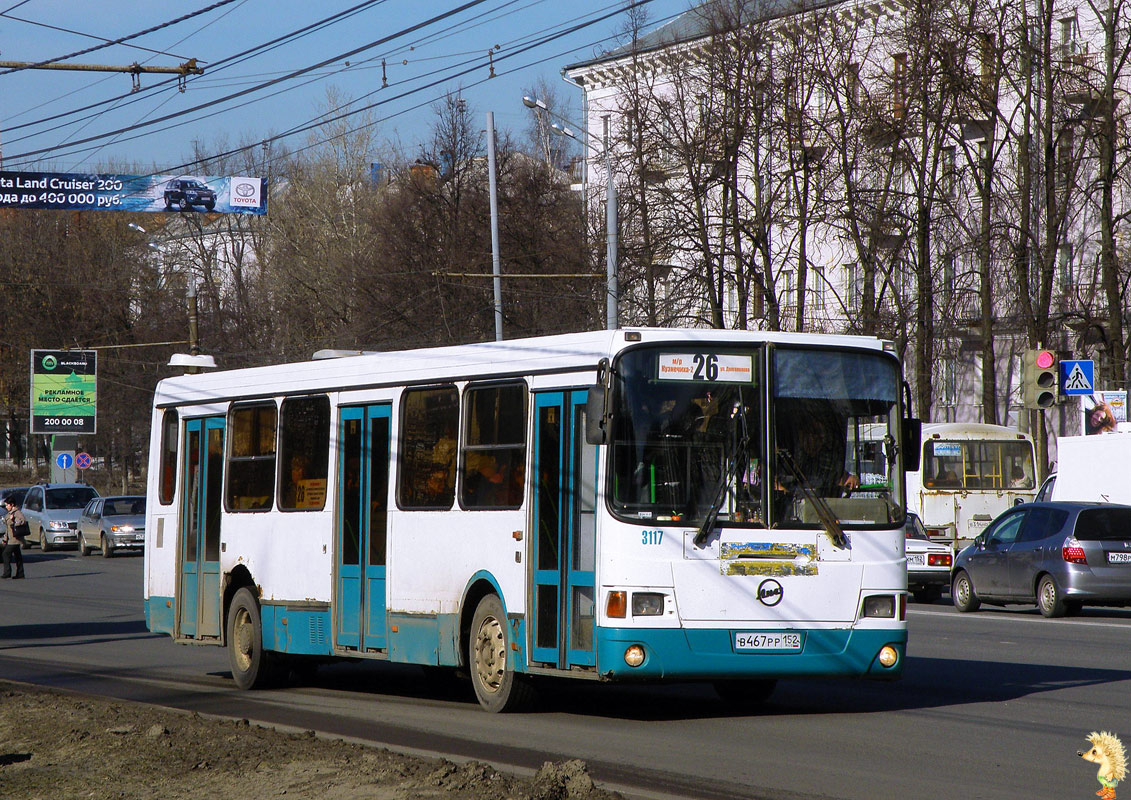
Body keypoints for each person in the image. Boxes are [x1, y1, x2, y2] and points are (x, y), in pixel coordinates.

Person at [2, 498, 27, 579]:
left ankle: (7, 573)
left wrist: (14, 520)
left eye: (7, 505)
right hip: (11, 538)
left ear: (12, 504)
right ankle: (20, 573)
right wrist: (5, 539)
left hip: (15, 539)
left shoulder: (17, 513)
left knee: (5, 554)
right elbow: (7, 528)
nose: (6, 507)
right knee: (18, 556)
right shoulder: (9, 514)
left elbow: (23, 521)